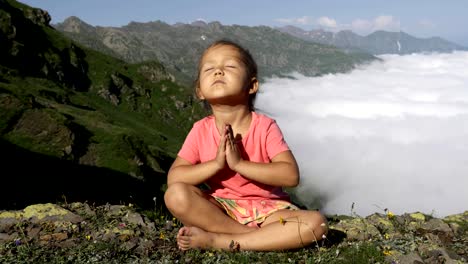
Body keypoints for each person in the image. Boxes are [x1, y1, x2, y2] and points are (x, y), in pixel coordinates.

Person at [164, 39, 328, 251]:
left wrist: (239, 164)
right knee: (175, 195)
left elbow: (290, 176)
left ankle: (217, 241)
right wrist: (216, 164)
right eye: (209, 68)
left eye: (229, 66)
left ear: (251, 85)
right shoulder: (200, 130)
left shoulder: (265, 126)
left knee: (317, 223)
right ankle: (260, 238)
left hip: (270, 211)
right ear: (200, 91)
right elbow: (174, 178)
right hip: (221, 209)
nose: (218, 72)